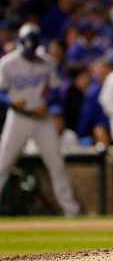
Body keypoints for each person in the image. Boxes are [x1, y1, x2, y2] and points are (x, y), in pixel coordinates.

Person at [0, 23, 80, 216]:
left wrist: (49, 104)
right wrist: (10, 101)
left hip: (41, 118)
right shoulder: (7, 63)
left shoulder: (47, 61)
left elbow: (54, 90)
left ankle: (71, 210)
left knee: (56, 164)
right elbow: (0, 91)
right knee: (3, 163)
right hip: (18, 118)